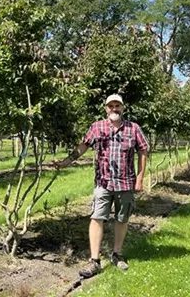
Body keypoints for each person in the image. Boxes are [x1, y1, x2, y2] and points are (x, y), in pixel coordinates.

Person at [55, 94, 148, 278]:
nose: (114, 109)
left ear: (123, 108)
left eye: (117, 106)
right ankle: (94, 261)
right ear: (106, 108)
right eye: (111, 106)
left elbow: (143, 150)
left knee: (122, 218)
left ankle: (117, 254)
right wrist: (66, 162)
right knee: (97, 217)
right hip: (103, 182)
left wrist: (140, 178)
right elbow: (83, 146)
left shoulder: (133, 128)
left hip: (125, 182)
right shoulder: (97, 127)